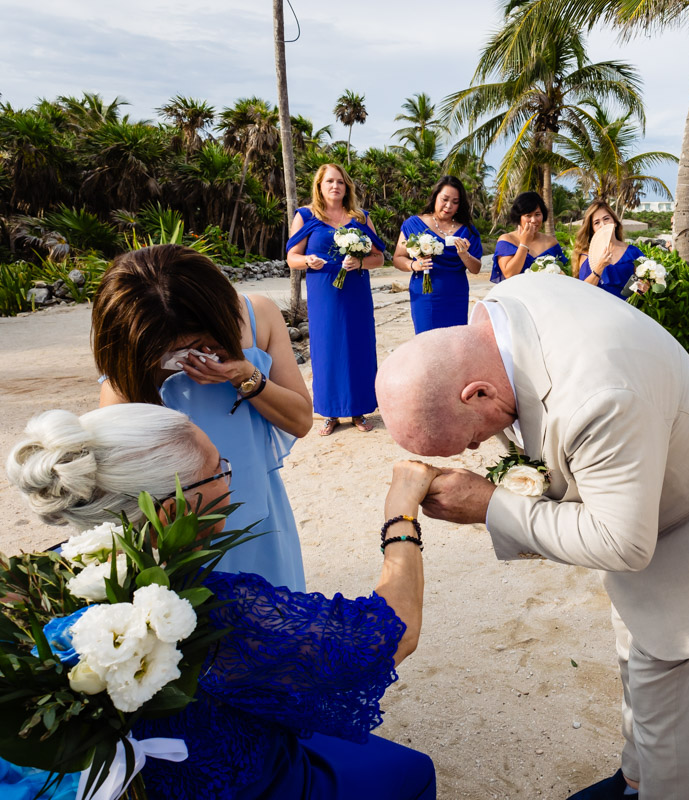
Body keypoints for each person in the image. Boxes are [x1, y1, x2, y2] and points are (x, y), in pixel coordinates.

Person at [375, 274, 689, 800]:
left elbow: (624, 542)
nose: (478, 447)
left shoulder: (598, 394)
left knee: (663, 697)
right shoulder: (504, 310)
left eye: (472, 436)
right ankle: (633, 781)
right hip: (646, 498)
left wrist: (492, 505)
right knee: (636, 653)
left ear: (478, 390)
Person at [6, 404, 438, 800]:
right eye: (218, 472)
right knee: (410, 771)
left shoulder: (41, 578)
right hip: (233, 787)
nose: (228, 480)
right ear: (170, 511)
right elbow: (388, 635)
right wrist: (400, 514)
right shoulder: (204, 608)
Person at [94, 244, 312, 592]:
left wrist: (246, 375)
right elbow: (112, 471)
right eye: (169, 350)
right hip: (181, 532)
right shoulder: (133, 351)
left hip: (261, 515)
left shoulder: (258, 315)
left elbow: (301, 420)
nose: (188, 355)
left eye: (197, 341)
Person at [286, 162, 388, 436]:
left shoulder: (360, 217)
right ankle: (330, 412)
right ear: (319, 186)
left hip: (355, 290)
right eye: (330, 181)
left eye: (340, 182)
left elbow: (378, 257)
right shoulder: (306, 216)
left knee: (358, 347)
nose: (335, 186)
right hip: (324, 292)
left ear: (347, 187)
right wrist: (307, 259)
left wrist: (360, 263)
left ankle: (359, 410)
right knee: (327, 348)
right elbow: (291, 258)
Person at [395, 176, 484, 332]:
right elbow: (398, 257)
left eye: (455, 202)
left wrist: (464, 255)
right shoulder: (414, 224)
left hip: (456, 294)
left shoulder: (467, 231)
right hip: (424, 294)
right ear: (435, 196)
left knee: (455, 343)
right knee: (427, 342)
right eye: (445, 199)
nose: (448, 206)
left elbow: (476, 268)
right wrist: (413, 265)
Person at [491, 191, 567, 282]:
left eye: (537, 214)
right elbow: (509, 274)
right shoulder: (507, 240)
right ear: (519, 217)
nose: (534, 220)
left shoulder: (551, 242)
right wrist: (524, 243)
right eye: (528, 216)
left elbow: (563, 274)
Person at [573, 202, 644, 298]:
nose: (603, 225)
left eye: (606, 219)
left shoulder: (633, 252)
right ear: (592, 229)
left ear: (615, 222)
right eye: (596, 223)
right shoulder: (586, 256)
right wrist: (599, 267)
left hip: (627, 309)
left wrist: (644, 287)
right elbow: (583, 291)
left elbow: (642, 285)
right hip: (599, 309)